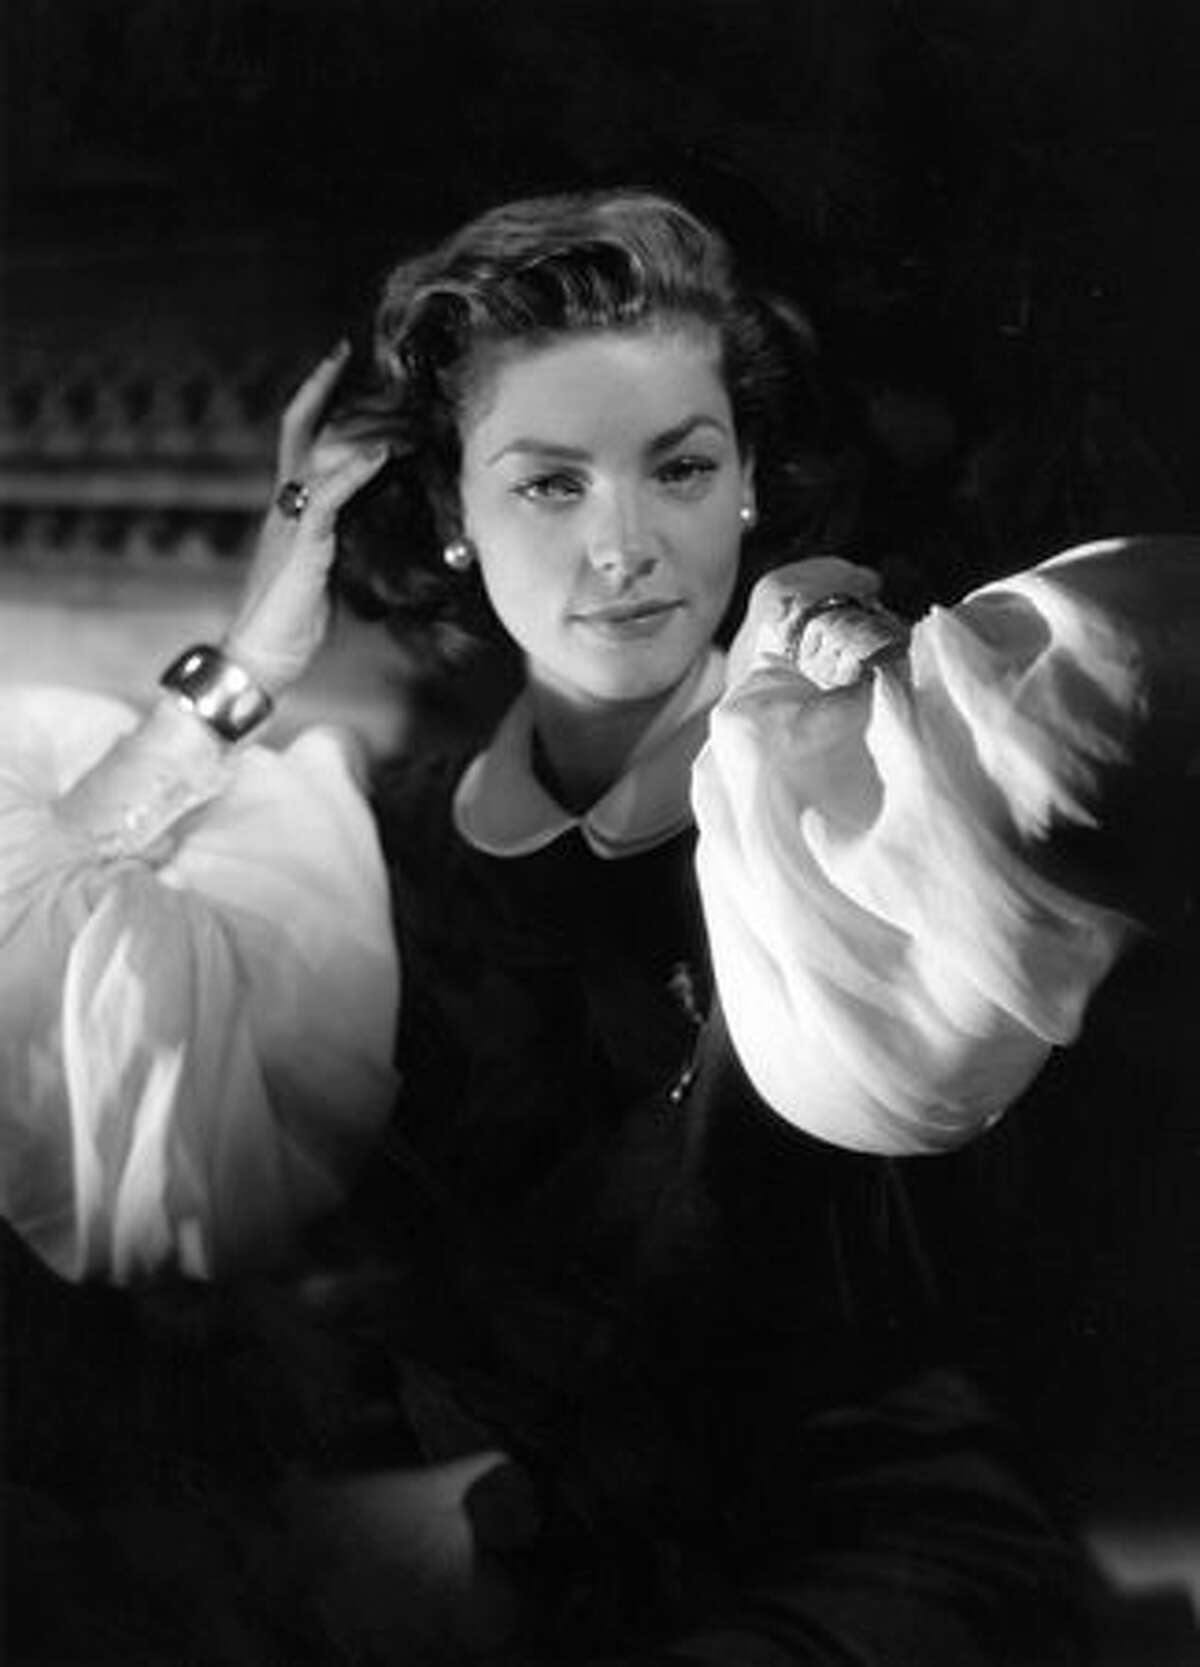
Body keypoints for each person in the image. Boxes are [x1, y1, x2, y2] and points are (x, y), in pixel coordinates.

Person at [3, 189, 1198, 1665]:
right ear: (454, 518)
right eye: (550, 486)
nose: (624, 545)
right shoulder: (376, 842)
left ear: (747, 488)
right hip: (480, 1567)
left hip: (853, 1555)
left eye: (680, 468)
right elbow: (37, 955)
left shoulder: (865, 801)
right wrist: (254, 649)